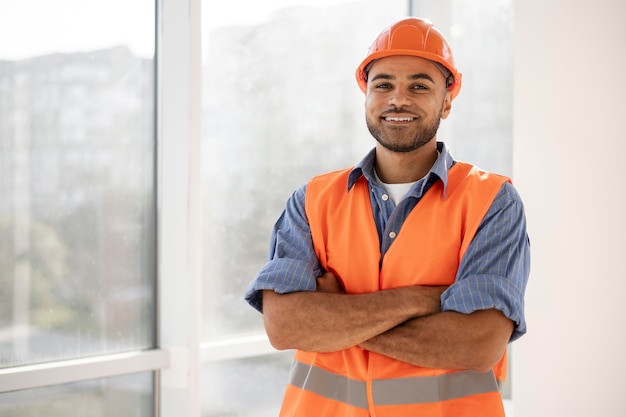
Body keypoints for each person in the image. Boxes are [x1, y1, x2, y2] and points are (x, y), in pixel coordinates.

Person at [244, 16, 530, 417]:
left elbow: (477, 344)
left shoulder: (492, 201)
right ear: (366, 96)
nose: (399, 99)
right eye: (383, 85)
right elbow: (284, 327)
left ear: (447, 100)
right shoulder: (312, 200)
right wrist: (425, 300)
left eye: (419, 85)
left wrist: (334, 317)